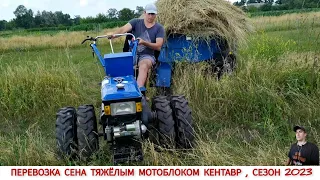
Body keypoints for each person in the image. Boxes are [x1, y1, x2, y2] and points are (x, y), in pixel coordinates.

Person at [108, 3, 165, 89]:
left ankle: (138, 92)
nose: (150, 16)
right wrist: (114, 35)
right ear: (144, 13)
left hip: (147, 55)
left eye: (152, 14)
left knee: (144, 65)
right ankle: (118, 90)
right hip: (132, 54)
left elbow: (158, 46)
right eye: (148, 13)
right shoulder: (136, 22)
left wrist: (144, 42)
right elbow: (123, 29)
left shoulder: (159, 28)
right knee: (118, 65)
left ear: (156, 14)